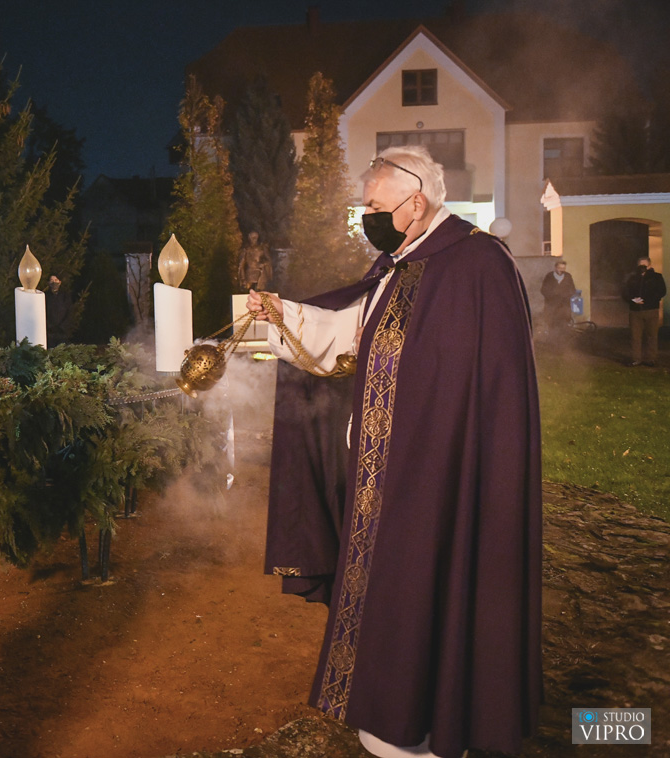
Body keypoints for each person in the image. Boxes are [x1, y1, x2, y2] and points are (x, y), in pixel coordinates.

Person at [247, 145, 541, 758]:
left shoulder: (477, 265)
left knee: (432, 585)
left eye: (374, 206)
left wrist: (429, 454)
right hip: (387, 473)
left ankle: (436, 724)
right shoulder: (400, 265)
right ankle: (393, 715)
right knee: (394, 594)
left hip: (439, 477)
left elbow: (478, 386)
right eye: (363, 207)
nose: (365, 218)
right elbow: (351, 331)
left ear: (416, 201)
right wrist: (285, 316)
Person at [623, 256, 665, 366]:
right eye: (640, 265)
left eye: (644, 265)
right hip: (635, 312)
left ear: (649, 265)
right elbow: (625, 293)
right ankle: (635, 358)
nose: (642, 268)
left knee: (652, 335)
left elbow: (661, 291)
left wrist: (646, 300)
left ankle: (651, 359)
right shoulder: (632, 278)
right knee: (635, 336)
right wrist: (632, 300)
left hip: (651, 310)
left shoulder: (657, 277)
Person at [539, 259, 576, 336]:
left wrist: (565, 296)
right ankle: (551, 343)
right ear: (555, 268)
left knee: (564, 326)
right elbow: (543, 290)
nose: (562, 270)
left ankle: (564, 343)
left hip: (564, 307)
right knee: (552, 326)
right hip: (552, 307)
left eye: (563, 268)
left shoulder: (568, 277)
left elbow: (572, 290)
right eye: (560, 268)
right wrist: (553, 296)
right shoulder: (549, 276)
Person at [45, 274, 73, 345]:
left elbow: (69, 311)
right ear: (48, 283)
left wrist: (63, 326)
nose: (54, 282)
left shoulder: (65, 296)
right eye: (51, 280)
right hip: (50, 332)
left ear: (60, 282)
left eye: (56, 280)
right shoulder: (45, 296)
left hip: (63, 332)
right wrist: (49, 326)